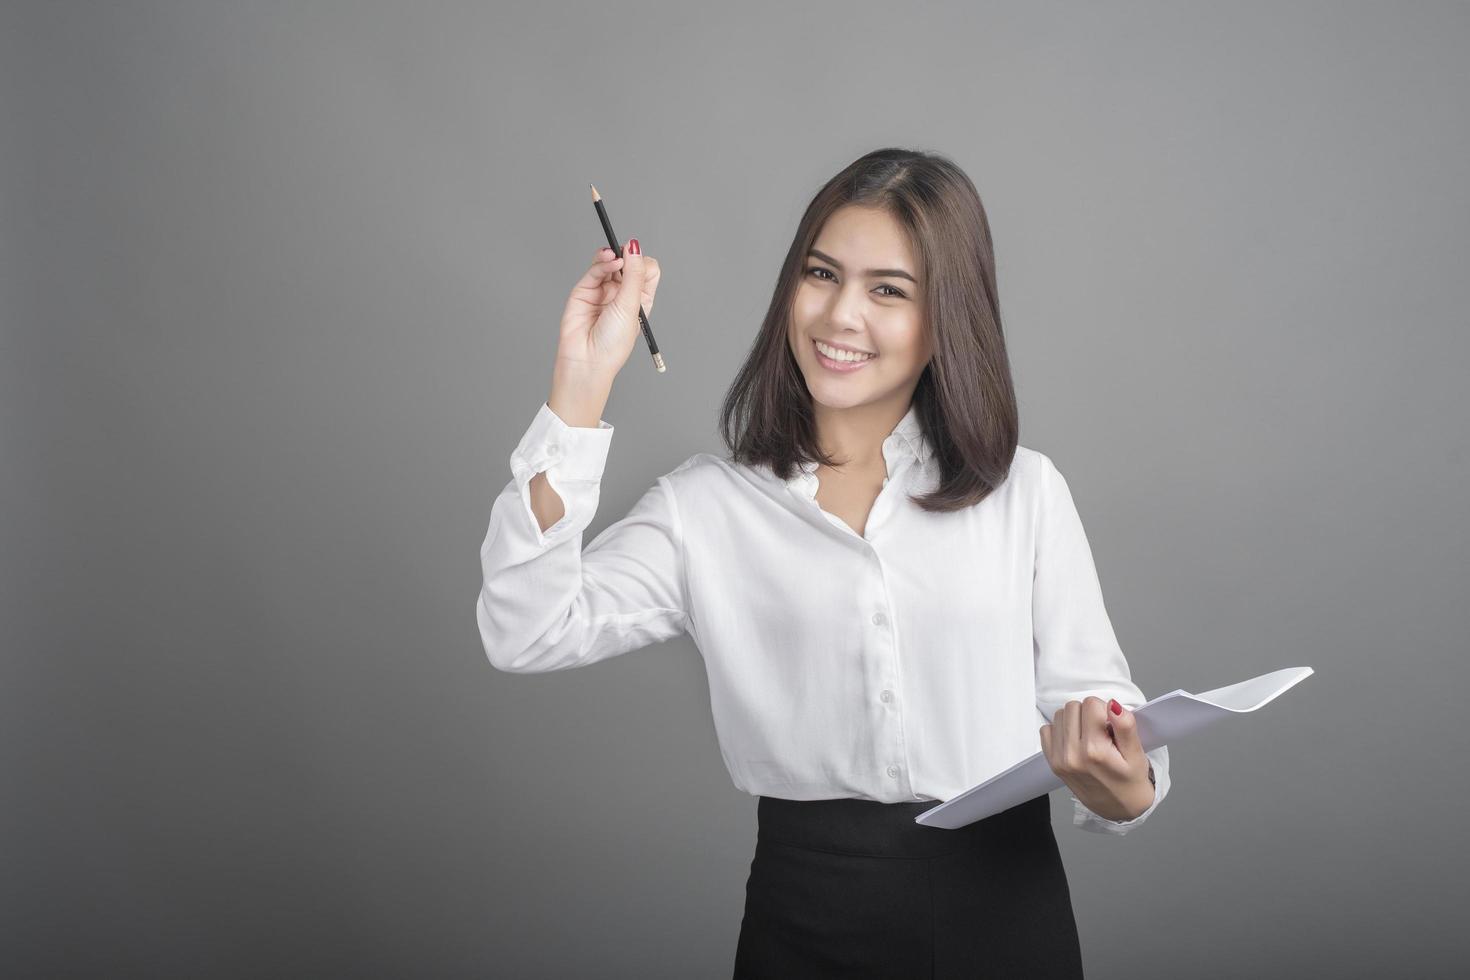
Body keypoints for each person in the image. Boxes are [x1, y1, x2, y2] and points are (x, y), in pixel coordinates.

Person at [476, 147, 1171, 979]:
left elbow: (1109, 722)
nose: (842, 315)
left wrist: (1122, 784)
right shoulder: (707, 508)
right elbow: (525, 629)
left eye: (888, 290)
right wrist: (580, 386)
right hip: (805, 916)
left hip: (1004, 912)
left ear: (945, 320)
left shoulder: (1023, 492)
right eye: (821, 274)